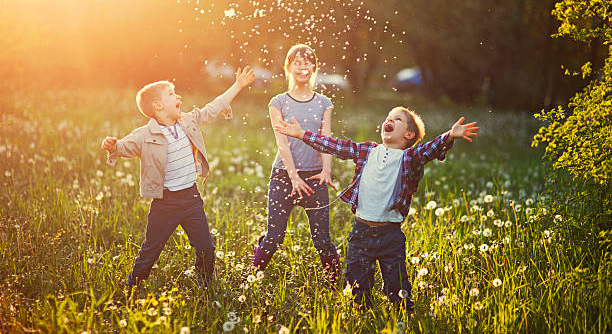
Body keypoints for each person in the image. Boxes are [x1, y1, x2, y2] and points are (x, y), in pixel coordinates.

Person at [274, 107, 479, 308]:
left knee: (398, 290)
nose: (389, 120)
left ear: (409, 134)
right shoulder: (367, 151)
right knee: (357, 289)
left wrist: (450, 135)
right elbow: (336, 146)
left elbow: (429, 149)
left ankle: (402, 317)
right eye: (388, 117)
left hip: (391, 236)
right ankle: (362, 316)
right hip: (361, 233)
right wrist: (302, 134)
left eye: (397, 120)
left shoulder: (409, 158)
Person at [101, 66, 254, 292]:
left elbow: (214, 107)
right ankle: (132, 285)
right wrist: (112, 145)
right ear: (157, 105)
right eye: (172, 94)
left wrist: (238, 85)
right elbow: (123, 147)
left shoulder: (188, 121)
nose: (178, 96)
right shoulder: (145, 135)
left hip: (191, 198)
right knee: (151, 249)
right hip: (165, 203)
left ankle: (205, 284)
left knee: (206, 248)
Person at [249, 44, 340, 284]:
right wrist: (293, 177)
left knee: (322, 239)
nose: (302, 66)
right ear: (288, 67)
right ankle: (250, 279)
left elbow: (326, 139)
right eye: (297, 62)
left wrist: (326, 170)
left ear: (314, 67)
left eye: (307, 62)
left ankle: (338, 286)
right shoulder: (277, 102)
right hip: (284, 177)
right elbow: (282, 143)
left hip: (315, 177)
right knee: (274, 237)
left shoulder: (324, 103)